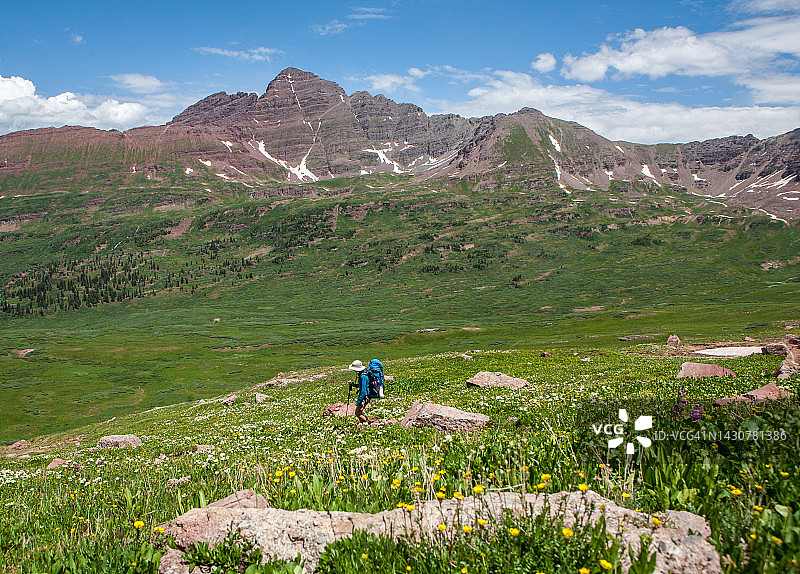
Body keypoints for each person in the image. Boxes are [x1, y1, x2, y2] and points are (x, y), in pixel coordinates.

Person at [348, 359, 374, 423]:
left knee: (357, 413)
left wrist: (358, 401)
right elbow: (361, 386)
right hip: (366, 395)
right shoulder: (362, 374)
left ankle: (367, 423)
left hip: (365, 396)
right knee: (359, 412)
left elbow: (363, 390)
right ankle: (364, 423)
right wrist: (353, 385)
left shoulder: (363, 376)